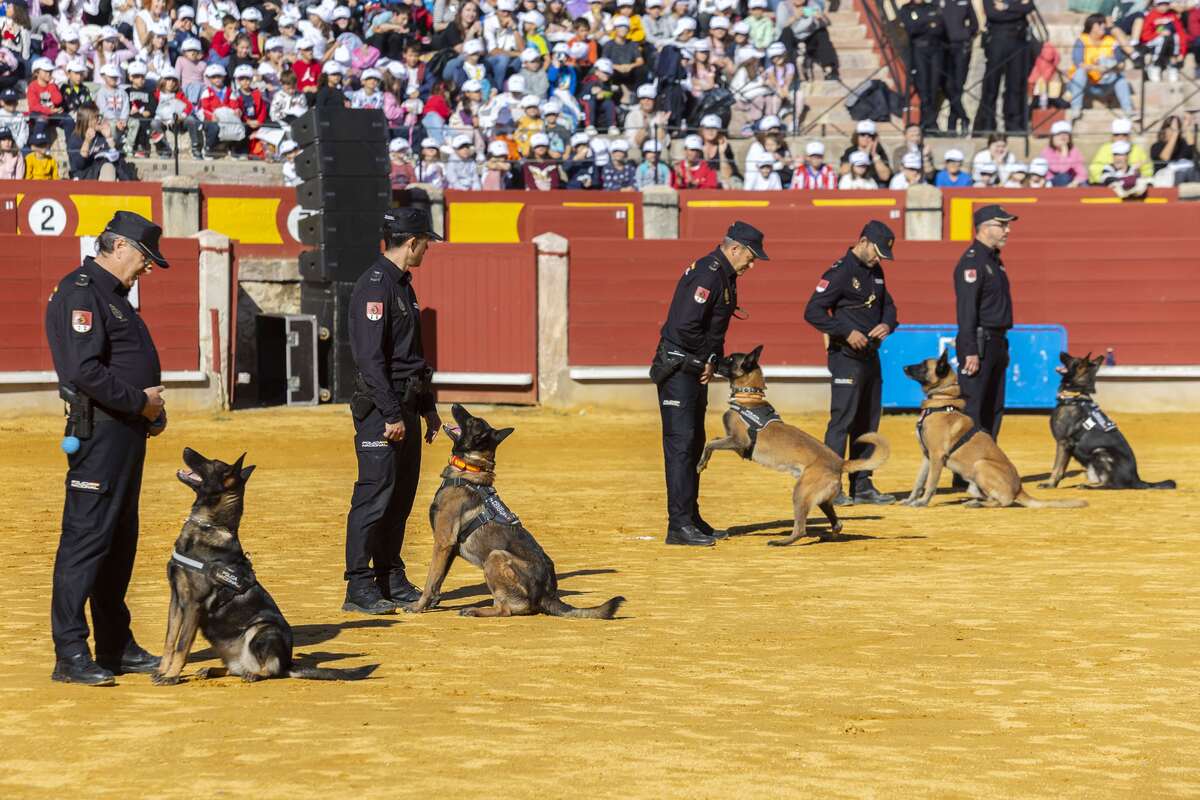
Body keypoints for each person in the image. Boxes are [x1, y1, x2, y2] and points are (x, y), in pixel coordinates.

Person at [44, 211, 170, 685]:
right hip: (99, 435)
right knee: (85, 541)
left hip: (124, 434)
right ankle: (70, 652)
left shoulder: (111, 296)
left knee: (118, 543)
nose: (148, 268)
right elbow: (84, 371)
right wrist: (139, 402)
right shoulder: (82, 291)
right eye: (144, 257)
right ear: (119, 247)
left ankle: (114, 644)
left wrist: (148, 412)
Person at [344, 208, 444, 614]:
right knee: (374, 496)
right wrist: (390, 414)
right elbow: (371, 359)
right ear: (414, 241)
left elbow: (411, 357)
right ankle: (358, 585)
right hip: (381, 408)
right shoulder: (376, 285)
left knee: (400, 497)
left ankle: (389, 574)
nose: (427, 250)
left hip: (404, 402)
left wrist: (428, 409)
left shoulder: (402, 285)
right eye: (426, 243)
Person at [651, 221, 768, 547]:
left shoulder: (722, 275)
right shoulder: (708, 274)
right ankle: (678, 526)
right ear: (734, 249)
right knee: (680, 445)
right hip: (679, 368)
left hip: (694, 368)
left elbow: (709, 329)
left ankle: (690, 516)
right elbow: (686, 327)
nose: (752, 263)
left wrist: (710, 361)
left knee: (692, 442)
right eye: (750, 256)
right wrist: (706, 360)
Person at [803, 221, 898, 506]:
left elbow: (889, 305)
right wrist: (845, 332)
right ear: (864, 241)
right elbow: (813, 311)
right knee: (842, 421)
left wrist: (887, 324)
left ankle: (863, 484)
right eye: (877, 252)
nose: (879, 259)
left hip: (870, 356)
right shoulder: (841, 271)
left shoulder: (875, 271)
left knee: (868, 420)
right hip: (845, 357)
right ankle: (831, 485)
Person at [954, 204, 1016, 475]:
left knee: (993, 409)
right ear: (984, 227)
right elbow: (967, 310)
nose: (1007, 230)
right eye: (1001, 225)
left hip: (997, 343)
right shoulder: (972, 262)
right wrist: (969, 349)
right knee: (974, 410)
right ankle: (965, 471)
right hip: (979, 345)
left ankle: (986, 468)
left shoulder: (993, 260)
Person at [972, 0, 1035, 134]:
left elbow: (1029, 7)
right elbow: (993, 14)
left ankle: (1014, 125)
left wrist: (1006, 7)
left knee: (1016, 86)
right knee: (991, 85)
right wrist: (1017, 10)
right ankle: (987, 124)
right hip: (997, 40)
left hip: (1018, 41)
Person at [1067, 15, 1136, 119]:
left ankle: (1128, 110)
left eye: (1103, 23)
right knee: (1080, 72)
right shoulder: (1082, 40)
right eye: (1099, 24)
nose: (1103, 26)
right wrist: (1097, 68)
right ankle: (1076, 108)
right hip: (1086, 84)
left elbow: (1121, 63)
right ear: (1092, 26)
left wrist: (1112, 66)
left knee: (1120, 78)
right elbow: (1078, 63)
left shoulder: (1111, 41)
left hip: (1105, 83)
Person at [901, 0, 944, 133]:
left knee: (934, 87)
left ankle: (929, 122)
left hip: (935, 50)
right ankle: (928, 123)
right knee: (923, 87)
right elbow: (911, 28)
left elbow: (939, 27)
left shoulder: (932, 7)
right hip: (919, 50)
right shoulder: (907, 9)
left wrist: (923, 23)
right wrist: (928, 23)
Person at [941, 0, 979, 135]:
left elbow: (975, 25)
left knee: (957, 86)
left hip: (961, 48)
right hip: (943, 48)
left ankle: (952, 126)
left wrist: (965, 35)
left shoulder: (965, 2)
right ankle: (963, 117)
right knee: (947, 85)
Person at [1088, 117, 1153, 183]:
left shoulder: (1137, 149)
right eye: (1117, 135)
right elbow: (1094, 169)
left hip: (1132, 185)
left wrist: (1138, 173)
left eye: (1124, 135)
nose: (1120, 137)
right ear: (1112, 136)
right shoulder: (1105, 148)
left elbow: (1148, 170)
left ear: (1129, 136)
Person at [1038, 120, 1086, 186]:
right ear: (1052, 137)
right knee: (1063, 177)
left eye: (1066, 134)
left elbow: (1082, 173)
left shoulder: (1074, 151)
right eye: (1059, 134)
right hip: (1051, 182)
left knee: (1084, 183)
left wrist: (1075, 183)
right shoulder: (1047, 152)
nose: (1063, 137)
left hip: (1071, 182)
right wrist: (1064, 154)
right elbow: (1060, 170)